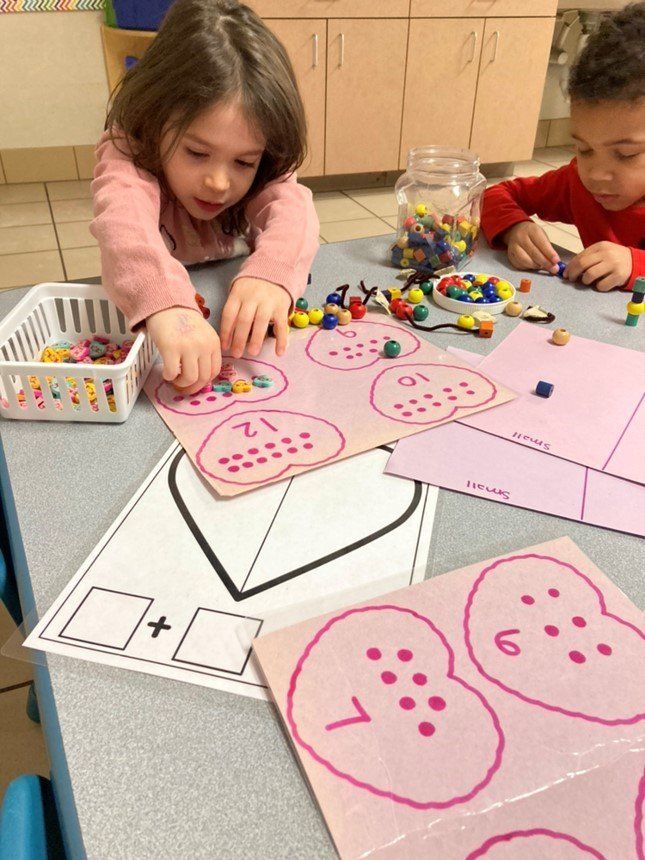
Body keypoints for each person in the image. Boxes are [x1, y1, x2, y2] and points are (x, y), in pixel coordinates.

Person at [91, 0, 319, 394]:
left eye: (244, 162)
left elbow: (293, 207)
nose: (218, 182)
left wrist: (272, 273)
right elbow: (122, 226)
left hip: (222, 309)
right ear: (155, 120)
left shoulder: (268, 160)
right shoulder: (130, 152)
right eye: (197, 153)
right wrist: (168, 305)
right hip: (155, 324)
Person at [482, 2, 645, 291]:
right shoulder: (577, 184)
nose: (595, 174)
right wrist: (514, 227)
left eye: (625, 154)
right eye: (584, 149)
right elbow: (496, 195)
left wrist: (636, 264)